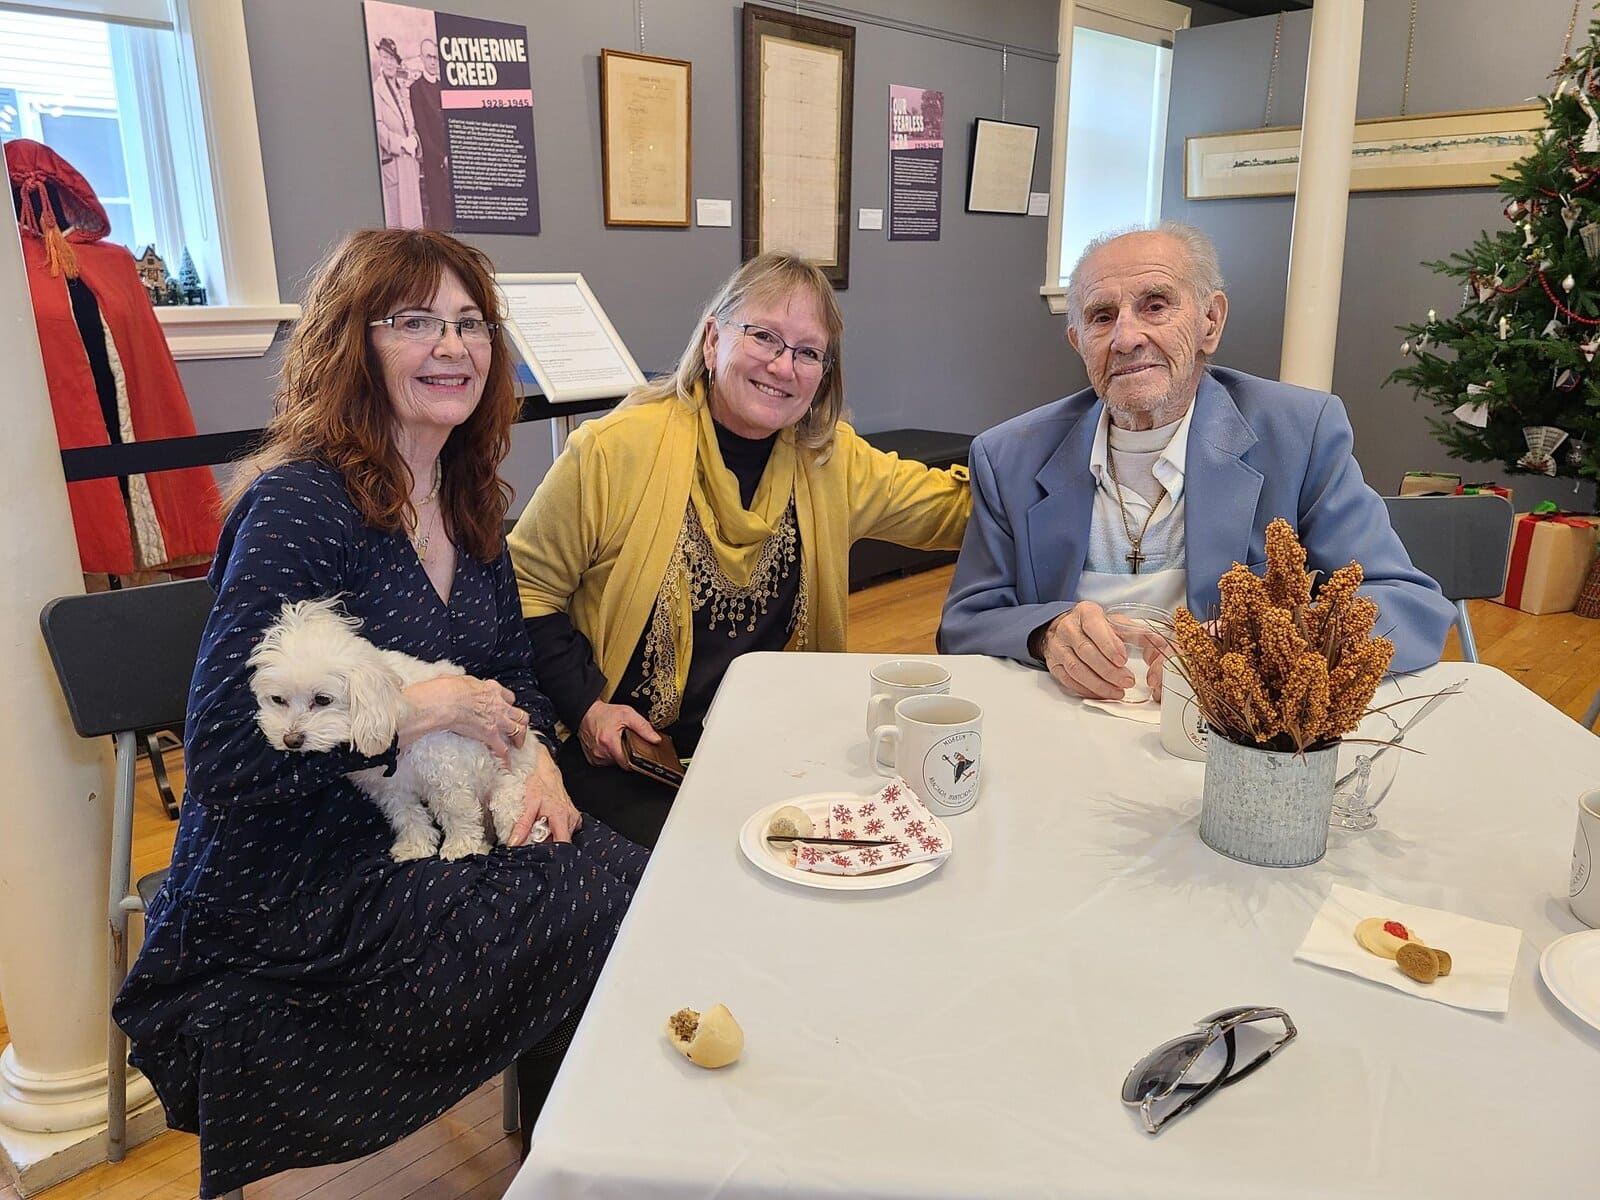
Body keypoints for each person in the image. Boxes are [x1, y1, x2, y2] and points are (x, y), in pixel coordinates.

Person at [112, 229, 645, 1198]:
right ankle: (576, 1163)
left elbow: (511, 674)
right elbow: (225, 755)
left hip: (428, 810)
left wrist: (540, 761)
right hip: (298, 871)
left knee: (625, 875)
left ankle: (578, 1157)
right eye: (414, 322)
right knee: (594, 903)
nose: (452, 346)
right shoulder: (300, 507)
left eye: (470, 324)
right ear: (352, 342)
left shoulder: (468, 499)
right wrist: (417, 708)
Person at [509, 251, 972, 848]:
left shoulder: (830, 460)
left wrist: (1059, 455)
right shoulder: (612, 450)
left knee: (865, 849)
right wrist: (589, 708)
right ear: (712, 340)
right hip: (633, 756)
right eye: (764, 337)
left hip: (780, 744)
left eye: (808, 352)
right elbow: (526, 591)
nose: (783, 366)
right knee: (703, 866)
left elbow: (950, 511)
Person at [938, 222, 1454, 699]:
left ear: (1211, 321)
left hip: (1230, 724)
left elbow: (1406, 605)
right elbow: (966, 622)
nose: (1126, 338)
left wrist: (1259, 642)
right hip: (1066, 714)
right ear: (1078, 342)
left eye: (1155, 306)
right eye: (1102, 317)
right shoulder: (1008, 455)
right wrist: (1045, 632)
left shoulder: (1299, 433)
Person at [372, 36, 423, 228]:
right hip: (394, 166)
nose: (389, 62)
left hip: (409, 164)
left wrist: (414, 140)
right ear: (380, 59)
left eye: (392, 58)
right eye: (385, 57)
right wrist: (400, 143)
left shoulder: (402, 89)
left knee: (414, 226)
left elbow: (410, 124)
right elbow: (378, 127)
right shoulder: (376, 91)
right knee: (398, 227)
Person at [409, 38, 451, 230]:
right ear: (422, 58)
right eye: (429, 57)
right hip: (433, 163)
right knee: (439, 218)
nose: (433, 61)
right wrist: (442, 157)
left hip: (450, 161)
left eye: (436, 57)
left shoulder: (444, 87)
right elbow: (423, 131)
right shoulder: (416, 89)